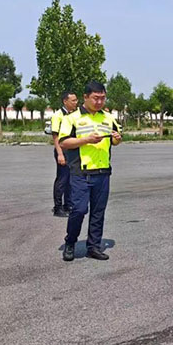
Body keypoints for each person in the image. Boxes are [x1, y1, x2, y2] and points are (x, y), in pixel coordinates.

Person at [58, 81, 122, 262]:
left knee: (98, 212)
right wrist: (86, 140)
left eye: (102, 98)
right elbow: (64, 142)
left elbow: (116, 139)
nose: (99, 102)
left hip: (103, 171)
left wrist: (117, 138)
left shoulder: (108, 118)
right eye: (95, 98)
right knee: (78, 210)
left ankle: (93, 246)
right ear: (85, 97)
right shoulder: (72, 118)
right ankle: (70, 242)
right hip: (81, 172)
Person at [51, 91, 79, 217]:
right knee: (62, 180)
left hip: (72, 150)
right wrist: (60, 154)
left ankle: (68, 205)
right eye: (73, 100)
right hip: (62, 151)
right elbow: (55, 136)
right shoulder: (58, 115)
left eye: (76, 100)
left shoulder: (74, 114)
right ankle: (58, 207)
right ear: (65, 101)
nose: (76, 102)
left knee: (70, 180)